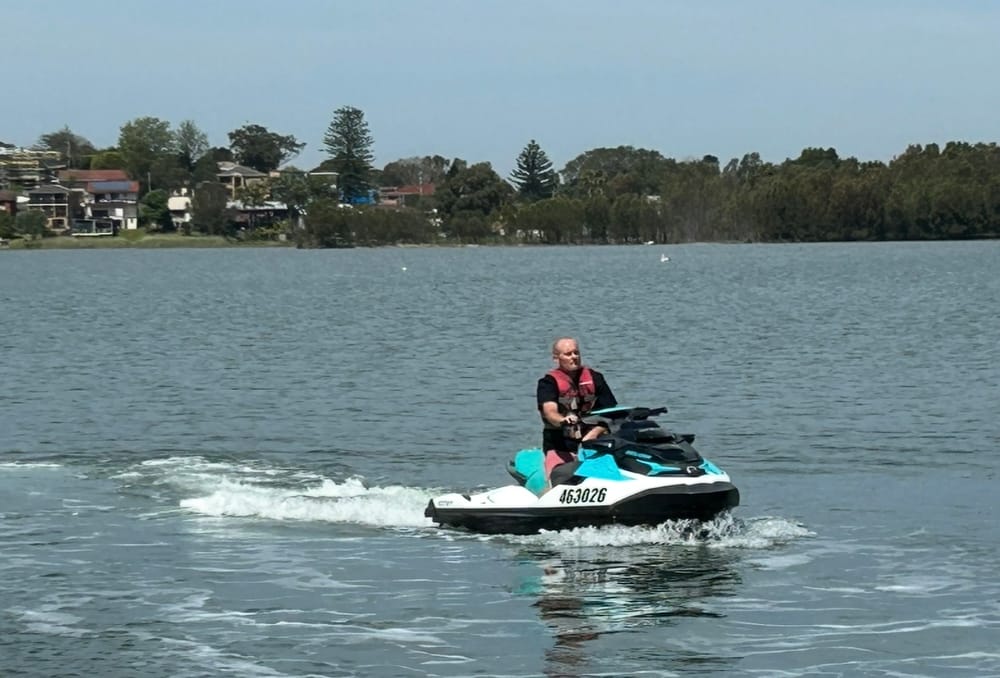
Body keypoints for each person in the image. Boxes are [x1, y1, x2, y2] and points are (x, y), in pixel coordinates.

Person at [536, 337, 618, 488]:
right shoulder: (548, 383)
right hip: (560, 445)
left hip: (593, 443)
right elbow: (550, 412)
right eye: (568, 354)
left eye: (576, 353)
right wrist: (562, 420)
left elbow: (612, 412)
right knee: (560, 479)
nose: (574, 357)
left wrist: (594, 432)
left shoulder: (595, 378)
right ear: (556, 358)